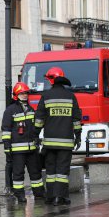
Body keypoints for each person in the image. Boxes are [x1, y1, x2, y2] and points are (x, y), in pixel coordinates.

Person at [34, 67, 82, 206]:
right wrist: (78, 136)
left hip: (49, 142)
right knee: (62, 171)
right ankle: (59, 198)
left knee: (50, 171)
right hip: (66, 142)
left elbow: (39, 119)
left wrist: (36, 135)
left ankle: (50, 197)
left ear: (51, 80)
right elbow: (76, 119)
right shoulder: (71, 96)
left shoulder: (46, 96)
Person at [1, 82, 45, 203]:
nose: (25, 95)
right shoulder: (10, 110)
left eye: (26, 93)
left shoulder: (30, 109)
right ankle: (19, 194)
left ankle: (39, 193)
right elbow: (6, 129)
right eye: (22, 93)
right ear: (16, 95)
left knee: (35, 172)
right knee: (18, 174)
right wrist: (7, 146)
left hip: (31, 148)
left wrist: (36, 138)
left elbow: (35, 127)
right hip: (17, 150)